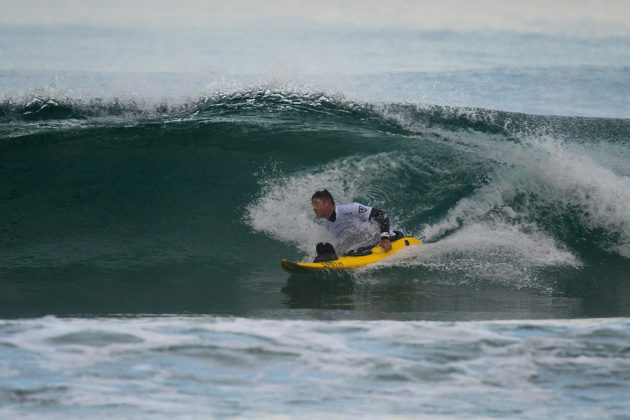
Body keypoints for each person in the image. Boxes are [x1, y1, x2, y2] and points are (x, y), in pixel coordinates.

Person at [311, 189, 396, 262]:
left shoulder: (350, 209)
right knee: (348, 252)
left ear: (328, 203)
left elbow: (381, 215)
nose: (314, 208)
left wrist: (385, 238)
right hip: (368, 245)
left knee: (353, 253)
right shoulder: (326, 225)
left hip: (390, 240)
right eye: (313, 205)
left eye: (316, 204)